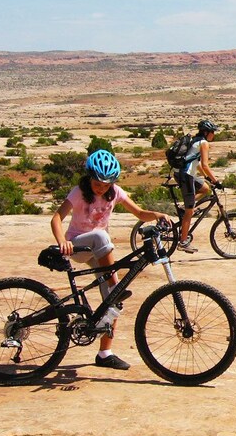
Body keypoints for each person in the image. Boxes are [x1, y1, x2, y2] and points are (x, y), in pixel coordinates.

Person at [51, 149, 170, 370]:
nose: (102, 188)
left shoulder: (115, 192)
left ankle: (105, 353)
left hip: (99, 250)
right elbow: (57, 218)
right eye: (98, 183)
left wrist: (157, 215)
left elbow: (139, 213)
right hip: (78, 245)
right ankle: (114, 286)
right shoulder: (79, 192)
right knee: (100, 236)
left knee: (114, 303)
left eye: (106, 184)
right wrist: (62, 241)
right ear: (89, 178)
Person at [175, 119, 222, 254]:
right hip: (186, 176)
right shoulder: (204, 143)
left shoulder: (195, 141)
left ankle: (185, 207)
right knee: (190, 211)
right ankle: (183, 242)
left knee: (205, 188)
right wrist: (216, 181)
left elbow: (198, 165)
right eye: (213, 132)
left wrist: (208, 179)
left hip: (180, 174)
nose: (214, 135)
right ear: (207, 132)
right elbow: (206, 165)